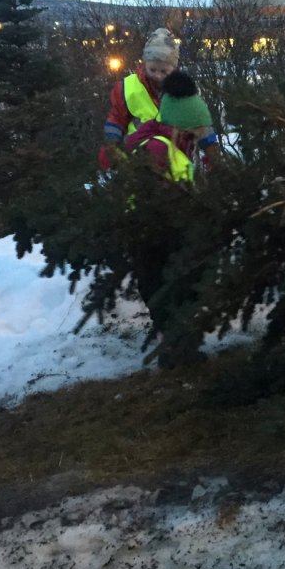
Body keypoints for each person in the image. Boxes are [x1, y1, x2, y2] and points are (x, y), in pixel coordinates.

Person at [122, 71, 217, 363]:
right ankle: (174, 347)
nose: (193, 145)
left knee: (177, 283)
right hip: (154, 233)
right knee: (165, 286)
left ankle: (178, 342)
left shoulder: (169, 144)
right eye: (192, 137)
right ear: (178, 128)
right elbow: (157, 196)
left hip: (165, 230)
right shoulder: (156, 150)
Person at [100, 27, 180, 169]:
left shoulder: (182, 91)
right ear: (144, 64)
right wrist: (112, 144)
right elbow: (117, 118)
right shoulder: (127, 88)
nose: (158, 75)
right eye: (153, 70)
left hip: (174, 160)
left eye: (164, 71)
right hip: (136, 157)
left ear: (173, 69)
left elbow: (197, 121)